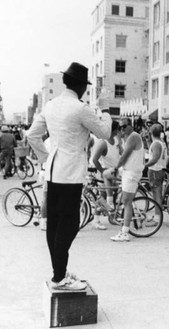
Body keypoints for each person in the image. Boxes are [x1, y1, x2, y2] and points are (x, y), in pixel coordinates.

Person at [27, 62, 111, 290]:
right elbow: (105, 132)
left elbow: (32, 135)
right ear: (82, 86)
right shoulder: (80, 108)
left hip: (53, 172)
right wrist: (104, 109)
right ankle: (59, 278)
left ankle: (59, 273)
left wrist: (46, 158)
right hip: (72, 174)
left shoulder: (51, 105)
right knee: (70, 224)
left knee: (53, 224)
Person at [110, 118, 145, 242]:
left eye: (124, 126)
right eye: (120, 128)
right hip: (128, 171)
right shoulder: (128, 137)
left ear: (131, 125)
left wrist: (116, 167)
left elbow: (124, 156)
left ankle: (125, 232)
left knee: (127, 202)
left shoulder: (133, 137)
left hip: (131, 172)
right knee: (107, 176)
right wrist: (120, 140)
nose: (122, 129)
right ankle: (110, 202)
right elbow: (122, 152)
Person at [91, 120, 122, 230]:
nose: (119, 131)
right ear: (114, 130)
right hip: (104, 174)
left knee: (112, 196)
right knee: (102, 197)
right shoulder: (103, 143)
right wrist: (102, 170)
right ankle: (96, 219)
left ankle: (111, 216)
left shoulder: (117, 140)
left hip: (114, 173)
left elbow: (121, 154)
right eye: (118, 129)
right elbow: (94, 159)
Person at [144, 124, 168, 225]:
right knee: (156, 193)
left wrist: (145, 165)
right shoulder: (160, 142)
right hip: (160, 169)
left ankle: (157, 218)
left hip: (155, 170)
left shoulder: (156, 144)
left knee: (156, 194)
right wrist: (148, 141)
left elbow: (155, 158)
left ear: (151, 132)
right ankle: (157, 215)